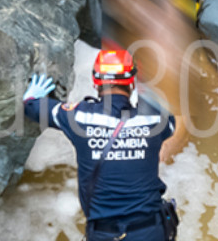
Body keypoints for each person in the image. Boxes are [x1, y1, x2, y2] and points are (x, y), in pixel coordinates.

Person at [22, 49, 178, 241]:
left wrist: (30, 98)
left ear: (95, 82)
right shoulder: (153, 120)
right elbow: (170, 124)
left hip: (105, 234)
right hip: (150, 231)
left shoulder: (80, 117)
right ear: (131, 83)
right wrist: (146, 90)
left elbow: (32, 107)